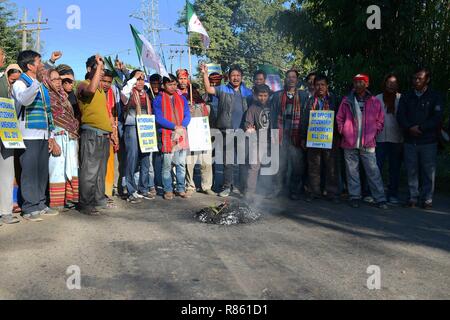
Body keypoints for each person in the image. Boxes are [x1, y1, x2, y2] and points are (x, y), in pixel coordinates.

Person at [13, 50, 59, 221]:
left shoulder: (40, 83)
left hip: (43, 134)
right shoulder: (20, 83)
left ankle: (40, 203)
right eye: (39, 62)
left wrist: (51, 135)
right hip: (28, 134)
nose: (41, 65)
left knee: (41, 172)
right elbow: (24, 100)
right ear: (30, 66)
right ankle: (29, 207)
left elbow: (48, 111)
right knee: (29, 172)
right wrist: (36, 83)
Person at [336, 74, 388, 209]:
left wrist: (374, 132)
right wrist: (343, 131)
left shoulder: (374, 101)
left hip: (368, 142)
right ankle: (354, 196)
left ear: (367, 84)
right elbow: (339, 118)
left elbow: (380, 120)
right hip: (349, 141)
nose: (358, 84)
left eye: (361, 82)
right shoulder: (347, 100)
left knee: (373, 170)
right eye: (356, 82)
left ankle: (380, 198)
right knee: (352, 171)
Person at [201, 64, 253, 197]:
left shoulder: (248, 92)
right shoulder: (223, 89)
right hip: (227, 130)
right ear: (228, 77)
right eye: (233, 75)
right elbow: (208, 88)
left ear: (242, 77)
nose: (235, 78)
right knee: (228, 161)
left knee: (242, 161)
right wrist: (204, 74)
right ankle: (226, 187)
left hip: (242, 131)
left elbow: (254, 110)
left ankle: (242, 187)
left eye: (238, 76)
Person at [397, 67, 444, 209]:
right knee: (411, 170)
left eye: (420, 78)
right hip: (410, 140)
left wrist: (421, 128)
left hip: (428, 140)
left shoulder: (435, 96)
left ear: (427, 80)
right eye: (414, 78)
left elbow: (437, 118)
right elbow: (400, 116)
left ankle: (427, 199)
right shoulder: (407, 96)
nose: (416, 81)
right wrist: (409, 127)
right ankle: (413, 197)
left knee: (428, 171)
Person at [76, 55, 113, 215]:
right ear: (89, 69)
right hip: (91, 133)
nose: (102, 72)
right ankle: (85, 203)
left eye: (103, 69)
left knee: (100, 171)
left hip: (103, 135)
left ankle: (99, 200)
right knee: (90, 171)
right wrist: (98, 66)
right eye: (99, 68)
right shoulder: (83, 85)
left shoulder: (101, 91)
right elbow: (90, 90)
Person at [44, 68, 80, 211]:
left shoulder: (63, 97)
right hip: (56, 137)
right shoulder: (46, 97)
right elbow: (47, 120)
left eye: (59, 79)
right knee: (57, 169)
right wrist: (51, 140)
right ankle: (56, 203)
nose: (58, 82)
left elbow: (71, 117)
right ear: (47, 81)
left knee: (71, 168)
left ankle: (69, 199)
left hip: (70, 137)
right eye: (54, 79)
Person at [301, 74, 340, 203]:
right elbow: (304, 120)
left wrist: (339, 136)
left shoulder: (334, 99)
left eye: (323, 84)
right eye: (317, 84)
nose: (320, 87)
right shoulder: (310, 100)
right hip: (313, 138)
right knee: (314, 166)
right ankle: (314, 192)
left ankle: (332, 193)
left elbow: (340, 118)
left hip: (331, 138)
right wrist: (303, 137)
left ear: (327, 86)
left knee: (331, 166)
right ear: (314, 86)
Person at [154, 74, 191, 200]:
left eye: (175, 84)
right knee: (167, 165)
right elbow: (158, 118)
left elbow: (187, 115)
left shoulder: (182, 99)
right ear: (164, 85)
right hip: (166, 135)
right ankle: (168, 189)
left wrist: (181, 126)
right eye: (170, 84)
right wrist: (174, 126)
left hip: (181, 134)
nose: (173, 87)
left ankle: (181, 188)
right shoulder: (158, 99)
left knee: (181, 164)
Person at [120, 69, 156, 202]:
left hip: (146, 128)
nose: (140, 81)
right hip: (132, 127)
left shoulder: (146, 94)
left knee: (146, 158)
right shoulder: (128, 93)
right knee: (132, 157)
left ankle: (144, 188)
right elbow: (124, 93)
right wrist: (133, 78)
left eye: (142, 78)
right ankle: (131, 191)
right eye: (138, 78)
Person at [270, 69, 306, 200]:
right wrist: (273, 134)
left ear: (297, 80)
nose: (291, 79)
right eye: (289, 77)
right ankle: (277, 189)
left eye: (294, 77)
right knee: (280, 165)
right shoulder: (277, 96)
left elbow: (306, 117)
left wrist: (303, 136)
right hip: (280, 135)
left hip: (296, 136)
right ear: (285, 79)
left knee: (297, 165)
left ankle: (294, 190)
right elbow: (273, 115)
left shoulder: (303, 96)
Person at [375, 73, 403, 205]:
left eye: (394, 83)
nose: (391, 85)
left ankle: (393, 194)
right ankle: (376, 193)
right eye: (389, 82)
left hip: (396, 138)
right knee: (377, 167)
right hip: (380, 138)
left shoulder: (401, 98)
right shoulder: (377, 98)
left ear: (397, 85)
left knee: (394, 168)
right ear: (385, 83)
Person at [0, 63, 22, 226]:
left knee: (8, 174)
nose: (13, 84)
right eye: (11, 80)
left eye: (16, 81)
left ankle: (6, 212)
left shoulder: (18, 93)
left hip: (9, 135)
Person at [185, 84, 215, 196]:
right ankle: (190, 186)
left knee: (206, 163)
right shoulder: (185, 105)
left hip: (204, 136)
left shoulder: (206, 106)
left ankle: (206, 186)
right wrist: (188, 111)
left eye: (197, 90)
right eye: (193, 91)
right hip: (190, 137)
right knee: (189, 163)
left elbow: (211, 120)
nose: (195, 93)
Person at [243, 84, 271, 201]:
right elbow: (247, 122)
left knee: (270, 166)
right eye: (260, 95)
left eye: (265, 95)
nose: (263, 98)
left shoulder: (273, 106)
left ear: (269, 96)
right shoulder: (252, 108)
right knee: (254, 166)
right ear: (256, 95)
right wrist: (249, 128)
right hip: (258, 141)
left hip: (272, 139)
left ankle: (268, 190)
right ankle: (249, 191)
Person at [101, 69, 120, 203]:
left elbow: (114, 115)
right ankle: (98, 192)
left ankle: (107, 192)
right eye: (104, 81)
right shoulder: (95, 93)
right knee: (98, 165)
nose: (106, 84)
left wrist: (114, 132)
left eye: (109, 82)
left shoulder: (112, 94)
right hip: (97, 133)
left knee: (109, 164)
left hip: (111, 133)